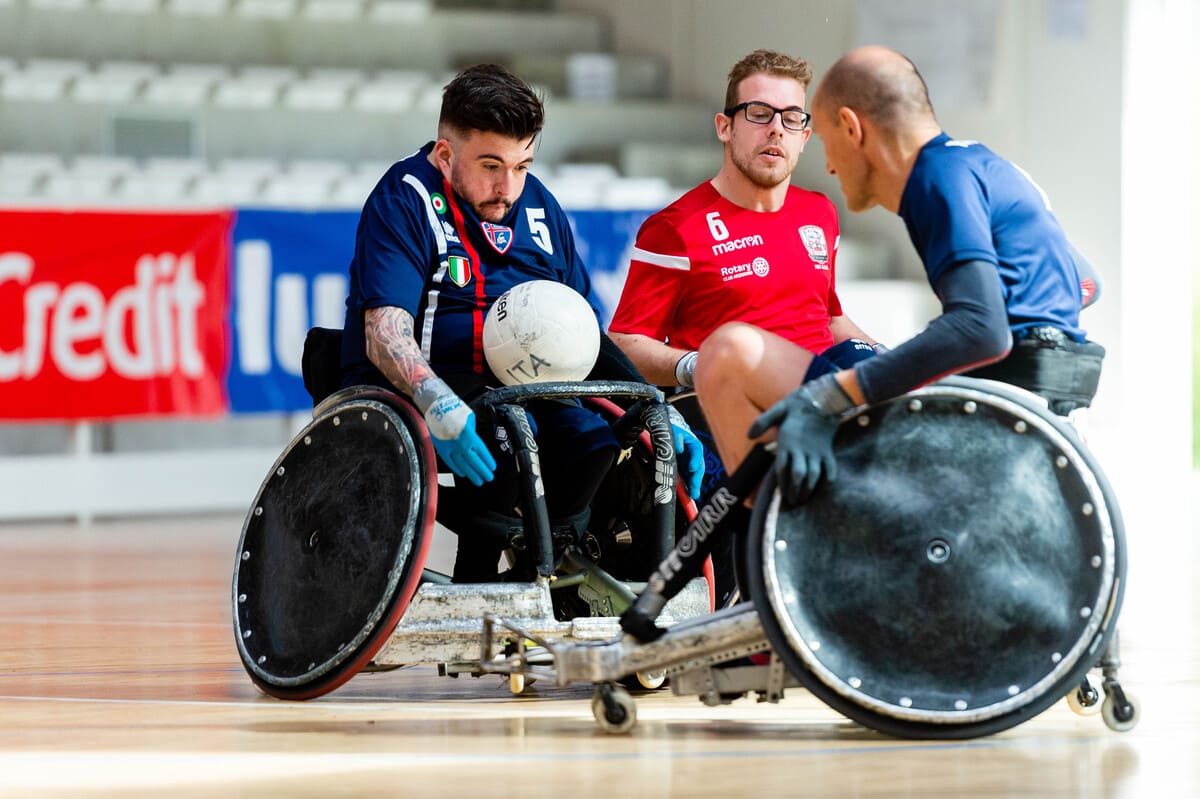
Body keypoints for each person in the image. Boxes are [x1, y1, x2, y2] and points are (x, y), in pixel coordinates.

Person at [695, 45, 1105, 506]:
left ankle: (789, 528)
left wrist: (831, 396)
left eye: (828, 143)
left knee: (728, 355)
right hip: (1056, 409)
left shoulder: (936, 177)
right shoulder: (985, 165)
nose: (829, 166)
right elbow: (1086, 284)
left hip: (992, 424)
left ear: (852, 128)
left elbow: (981, 330)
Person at [339, 64, 704, 581]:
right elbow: (384, 332)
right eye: (491, 165)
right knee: (513, 436)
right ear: (446, 154)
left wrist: (658, 410)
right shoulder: (405, 198)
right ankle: (481, 574)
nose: (508, 186)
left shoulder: (540, 208)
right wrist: (437, 404)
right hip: (431, 379)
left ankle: (540, 566)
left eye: (523, 165)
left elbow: (583, 334)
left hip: (526, 383)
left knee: (593, 442)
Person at [607, 49, 879, 604]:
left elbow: (827, 317)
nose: (776, 130)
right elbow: (625, 344)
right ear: (724, 127)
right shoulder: (675, 229)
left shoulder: (819, 213)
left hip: (821, 398)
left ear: (806, 136)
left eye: (792, 118)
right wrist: (693, 365)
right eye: (758, 113)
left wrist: (883, 355)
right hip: (732, 416)